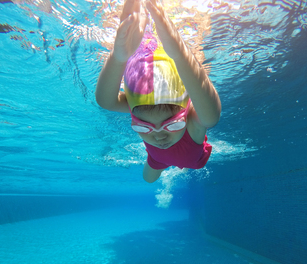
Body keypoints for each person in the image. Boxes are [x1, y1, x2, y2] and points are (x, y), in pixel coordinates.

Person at [95, 0, 221, 183]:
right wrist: (119, 56)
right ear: (134, 119)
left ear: (185, 113)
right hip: (157, 159)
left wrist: (179, 53)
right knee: (148, 180)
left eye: (173, 124)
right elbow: (106, 101)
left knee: (152, 178)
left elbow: (211, 117)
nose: (159, 136)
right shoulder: (141, 109)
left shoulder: (193, 119)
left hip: (194, 160)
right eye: (143, 127)